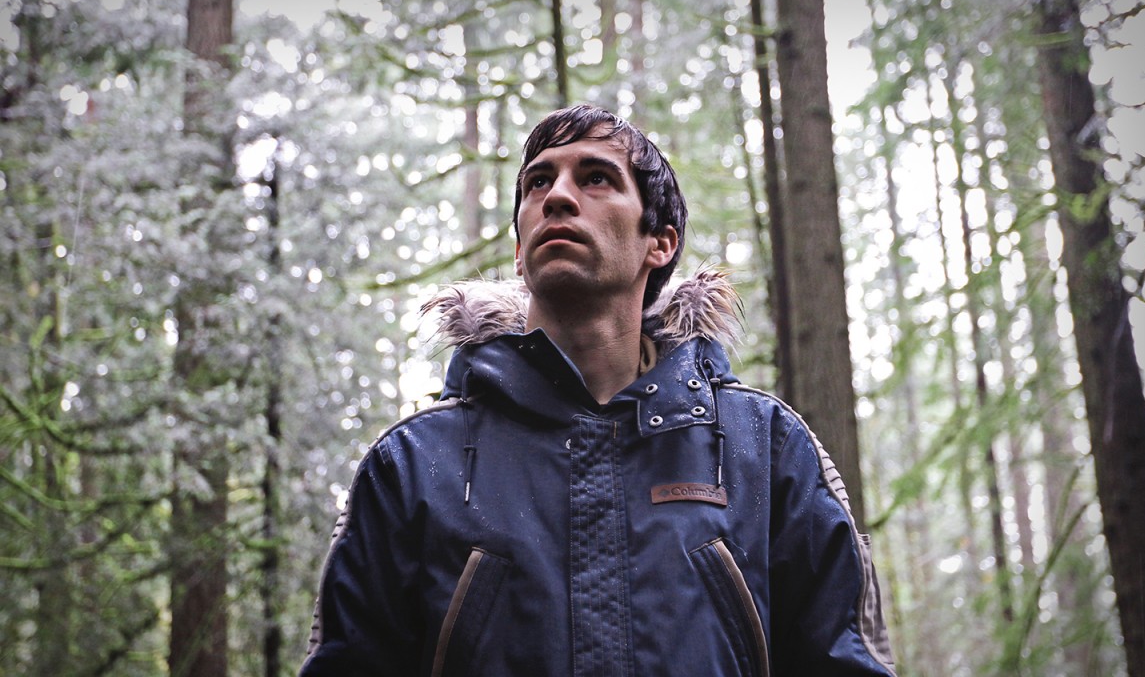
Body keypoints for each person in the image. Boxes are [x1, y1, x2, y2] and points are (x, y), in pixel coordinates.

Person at [300, 104, 896, 676]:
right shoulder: (412, 463)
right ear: (519, 253)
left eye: (596, 178)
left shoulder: (765, 448)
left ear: (660, 243)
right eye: (538, 183)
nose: (557, 196)